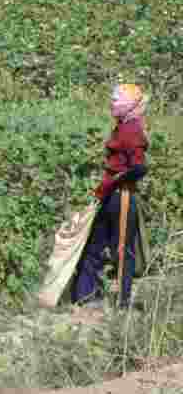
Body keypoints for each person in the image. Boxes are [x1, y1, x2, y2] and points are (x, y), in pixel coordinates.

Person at [71, 83, 150, 310]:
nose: (111, 103)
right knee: (94, 244)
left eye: (116, 100)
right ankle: (85, 297)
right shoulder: (123, 125)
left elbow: (139, 168)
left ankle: (123, 304)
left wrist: (115, 181)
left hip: (122, 196)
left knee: (123, 250)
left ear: (130, 105)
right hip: (110, 196)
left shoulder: (132, 129)